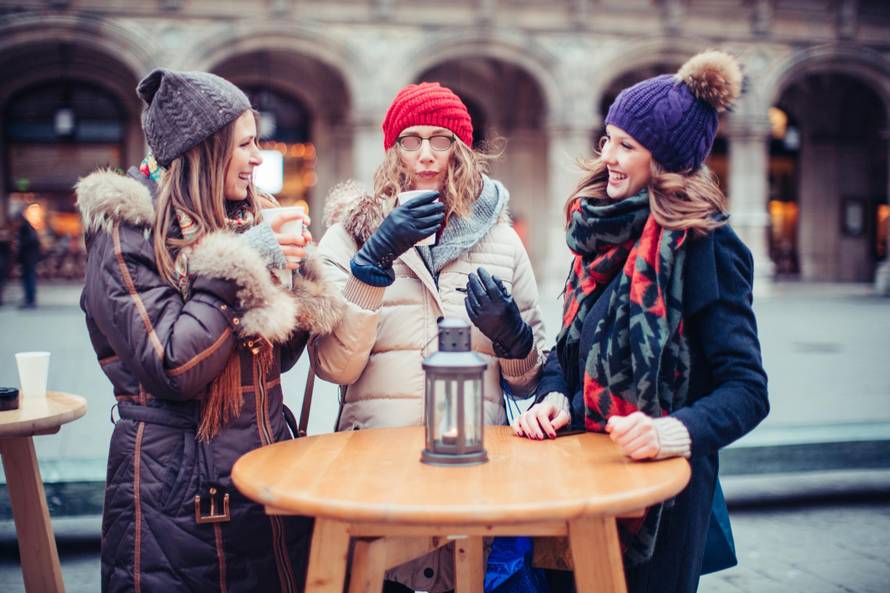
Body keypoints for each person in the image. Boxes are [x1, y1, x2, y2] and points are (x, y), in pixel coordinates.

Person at [76, 69, 344, 593]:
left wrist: (291, 279)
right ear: (204, 150)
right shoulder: (125, 234)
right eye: (244, 144)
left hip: (261, 473)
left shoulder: (242, 221)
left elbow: (272, 359)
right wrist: (247, 263)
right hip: (173, 494)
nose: (258, 158)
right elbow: (176, 366)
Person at [513, 51, 770, 593]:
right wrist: (555, 397)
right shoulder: (596, 234)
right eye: (607, 138)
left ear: (667, 161)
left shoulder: (707, 247)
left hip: (662, 499)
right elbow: (567, 353)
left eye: (627, 145)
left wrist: (668, 432)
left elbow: (747, 390)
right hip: (579, 481)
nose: (607, 154)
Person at [311, 82, 547, 593]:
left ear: (460, 149)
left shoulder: (502, 241)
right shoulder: (346, 237)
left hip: (472, 473)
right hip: (376, 472)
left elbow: (531, 383)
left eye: (440, 139)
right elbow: (334, 366)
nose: (424, 155)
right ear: (392, 149)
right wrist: (371, 264)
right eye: (410, 139)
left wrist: (513, 338)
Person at [16, 209, 41, 308]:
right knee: (29, 278)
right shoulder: (28, 226)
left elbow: (31, 240)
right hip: (30, 257)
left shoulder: (25, 227)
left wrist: (20, 245)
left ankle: (30, 300)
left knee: (29, 278)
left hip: (28, 258)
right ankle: (30, 299)